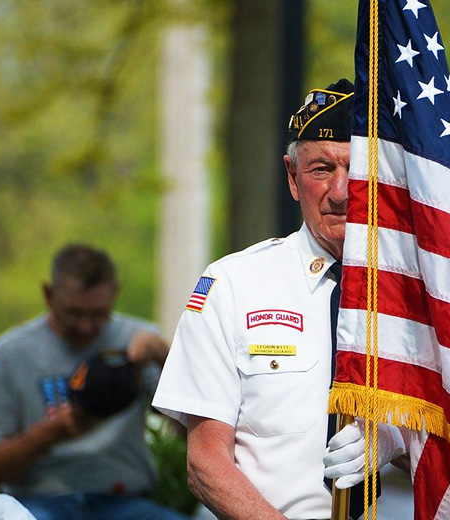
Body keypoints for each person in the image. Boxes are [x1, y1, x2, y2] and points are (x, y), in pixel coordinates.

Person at [152, 79, 407, 520]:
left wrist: (397, 441)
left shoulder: (423, 297)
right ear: (293, 177)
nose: (343, 192)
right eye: (321, 169)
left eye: (359, 170)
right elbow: (205, 462)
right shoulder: (233, 285)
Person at [0, 244, 189, 520]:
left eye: (99, 314)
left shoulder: (138, 339)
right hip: (38, 504)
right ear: (49, 295)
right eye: (74, 313)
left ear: (115, 294)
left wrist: (165, 360)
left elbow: (192, 435)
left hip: (124, 503)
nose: (87, 326)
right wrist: (58, 429)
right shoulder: (11, 353)